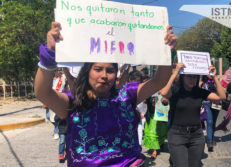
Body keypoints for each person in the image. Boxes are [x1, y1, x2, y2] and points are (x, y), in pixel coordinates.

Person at [34, 22, 177, 166]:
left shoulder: (127, 96)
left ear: (116, 74)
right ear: (87, 72)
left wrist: (166, 51)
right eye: (98, 69)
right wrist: (49, 52)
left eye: (110, 71)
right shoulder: (74, 102)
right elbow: (42, 92)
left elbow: (159, 81)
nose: (104, 75)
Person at [160, 63, 226, 167]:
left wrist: (215, 77)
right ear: (183, 77)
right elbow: (164, 93)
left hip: (196, 135)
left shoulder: (199, 92)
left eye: (195, 77)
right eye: (189, 76)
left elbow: (222, 96)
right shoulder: (175, 91)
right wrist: (175, 73)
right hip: (177, 135)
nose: (192, 79)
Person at [143, 92, 169, 159]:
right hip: (151, 116)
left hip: (160, 116)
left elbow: (166, 102)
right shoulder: (150, 91)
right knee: (153, 134)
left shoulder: (163, 91)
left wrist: (164, 98)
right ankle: (155, 150)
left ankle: (160, 143)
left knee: (160, 132)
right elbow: (144, 101)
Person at [199, 75, 221, 152]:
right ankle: (209, 142)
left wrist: (217, 81)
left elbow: (221, 92)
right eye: (209, 72)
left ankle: (211, 137)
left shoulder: (217, 81)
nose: (210, 74)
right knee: (209, 121)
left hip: (216, 104)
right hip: (206, 103)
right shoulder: (202, 83)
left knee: (213, 122)